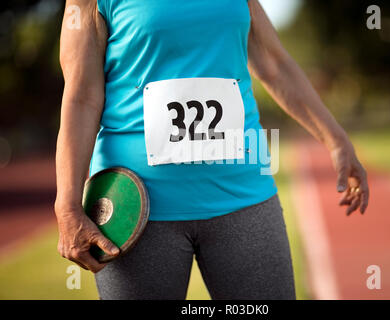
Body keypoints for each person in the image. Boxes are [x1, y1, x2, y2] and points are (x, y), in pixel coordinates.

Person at [55, 0, 369, 300]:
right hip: (134, 208)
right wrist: (67, 206)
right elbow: (81, 96)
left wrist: (336, 140)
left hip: (245, 193)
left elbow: (274, 65)